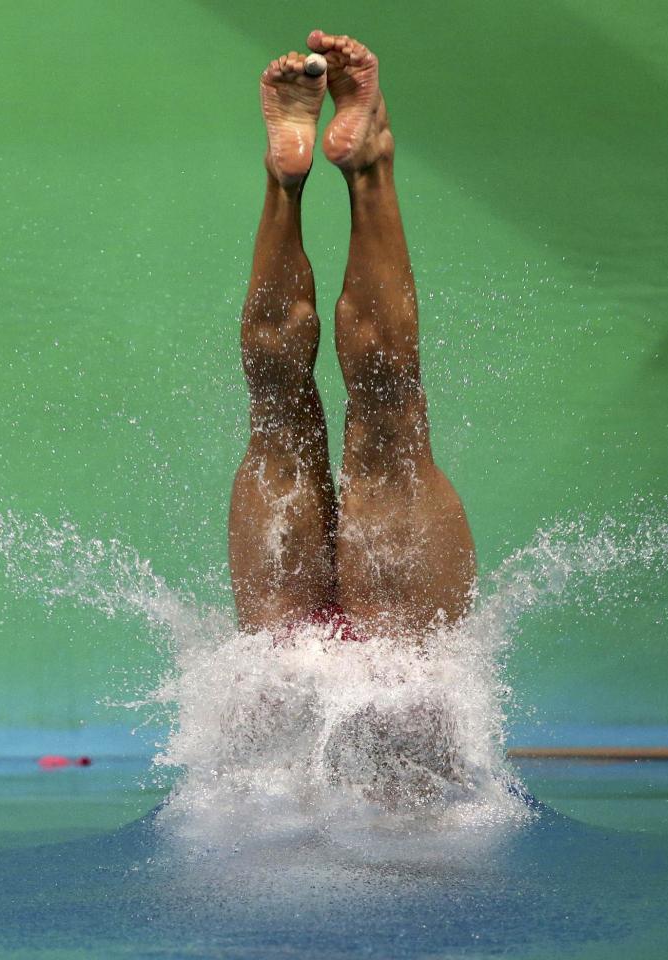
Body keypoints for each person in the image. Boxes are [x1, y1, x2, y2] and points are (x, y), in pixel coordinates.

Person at [229, 31, 475, 642]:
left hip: (282, 672)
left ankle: (283, 182)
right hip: (397, 678)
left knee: (278, 417)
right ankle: (368, 167)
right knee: (389, 419)